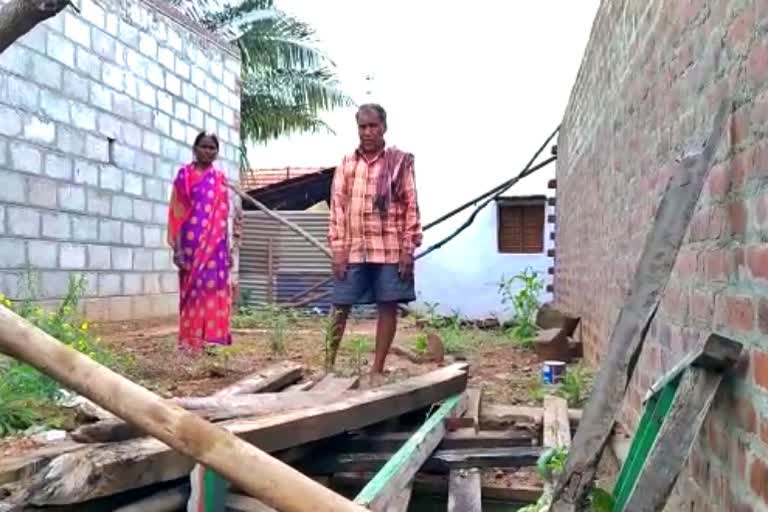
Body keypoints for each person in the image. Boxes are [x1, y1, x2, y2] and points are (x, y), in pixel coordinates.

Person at [327, 104, 422, 383]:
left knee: (388, 306)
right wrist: (338, 249)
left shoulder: (399, 163)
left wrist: (408, 248)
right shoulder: (346, 163)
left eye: (373, 126)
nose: (368, 132)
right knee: (340, 304)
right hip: (353, 247)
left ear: (384, 127)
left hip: (390, 247)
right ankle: (328, 364)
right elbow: (338, 208)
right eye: (362, 127)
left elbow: (411, 205)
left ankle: (376, 370)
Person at [167, 132, 233, 353]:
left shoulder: (220, 179)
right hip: (189, 245)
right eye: (204, 147)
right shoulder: (184, 176)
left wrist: (229, 247)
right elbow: (176, 213)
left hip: (215, 248)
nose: (208, 151)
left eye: (212, 148)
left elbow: (224, 216)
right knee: (191, 293)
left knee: (211, 291)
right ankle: (189, 342)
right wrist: (177, 249)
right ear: (195, 149)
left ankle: (211, 342)